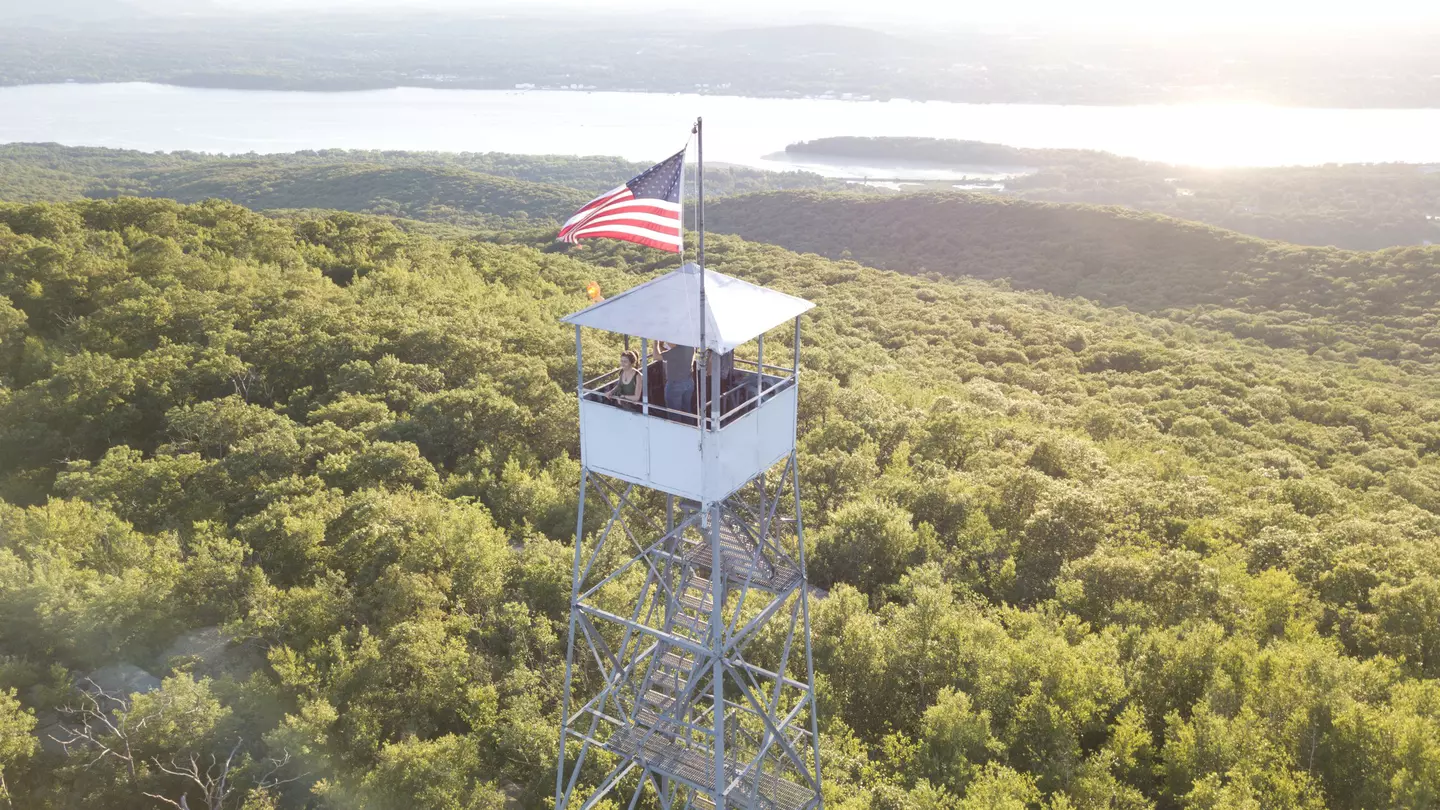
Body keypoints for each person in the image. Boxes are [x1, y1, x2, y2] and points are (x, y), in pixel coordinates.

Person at [661, 341, 694, 420]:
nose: (667, 344)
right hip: (688, 382)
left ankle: (676, 429)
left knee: (674, 414)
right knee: (686, 411)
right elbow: (668, 353)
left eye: (668, 342)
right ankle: (689, 427)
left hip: (675, 385)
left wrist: (655, 343)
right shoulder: (689, 346)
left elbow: (656, 356)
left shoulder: (675, 351)